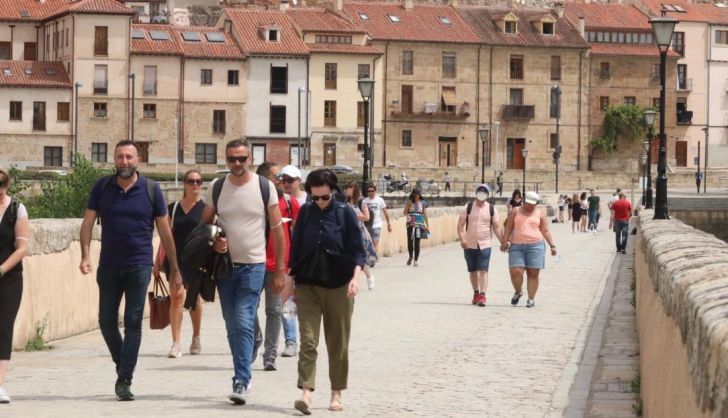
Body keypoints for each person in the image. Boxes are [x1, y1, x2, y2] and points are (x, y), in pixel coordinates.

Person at [79, 140, 180, 401]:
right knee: (106, 322)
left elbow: (165, 231)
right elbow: (88, 223)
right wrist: (85, 255)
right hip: (109, 266)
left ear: (138, 160)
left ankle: (124, 379)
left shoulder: (151, 190)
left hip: (139, 264)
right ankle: (123, 364)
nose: (125, 162)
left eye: (129, 157)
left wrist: (174, 268)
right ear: (114, 159)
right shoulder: (102, 187)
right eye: (120, 157)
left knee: (134, 322)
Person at [200, 139, 286, 405]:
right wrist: (215, 241)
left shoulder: (264, 187)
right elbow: (204, 226)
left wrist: (281, 269)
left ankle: (241, 379)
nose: (237, 164)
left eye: (241, 158)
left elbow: (277, 230)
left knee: (243, 317)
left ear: (249, 158)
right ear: (226, 160)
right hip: (225, 265)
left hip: (254, 265)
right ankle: (243, 367)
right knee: (231, 323)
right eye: (231, 159)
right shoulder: (216, 188)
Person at [284, 168, 366, 415]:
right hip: (308, 285)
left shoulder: (345, 214)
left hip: (339, 286)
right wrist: (290, 279)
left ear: (333, 192)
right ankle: (306, 393)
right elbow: (296, 248)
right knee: (308, 340)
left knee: (337, 342)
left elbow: (358, 251)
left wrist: (355, 278)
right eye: (314, 197)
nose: (319, 202)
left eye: (324, 197)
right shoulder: (306, 212)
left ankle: (336, 392)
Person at [252, 162, 300, 371]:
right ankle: (256, 338)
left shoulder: (291, 204)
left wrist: (293, 269)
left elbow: (299, 237)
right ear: (263, 181)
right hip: (252, 263)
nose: (281, 180)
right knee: (248, 309)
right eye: (276, 176)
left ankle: (270, 355)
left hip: (278, 267)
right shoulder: (252, 202)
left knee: (274, 311)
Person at [153, 169, 206, 359]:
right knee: (176, 296)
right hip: (175, 258)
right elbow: (166, 236)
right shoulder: (172, 208)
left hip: (197, 259)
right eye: (191, 181)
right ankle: (176, 343)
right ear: (184, 184)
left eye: (199, 181)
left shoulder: (206, 209)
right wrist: (158, 260)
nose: (195, 185)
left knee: (193, 299)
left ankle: (196, 336)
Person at [0, 169, 30, 404]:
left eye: (1, 186)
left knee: (3, 329)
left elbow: (21, 248)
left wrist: (1, 269)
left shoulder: (16, 209)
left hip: (9, 279)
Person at [501, 191, 557, 308]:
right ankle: (518, 291)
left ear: (536, 203)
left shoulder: (540, 213)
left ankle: (531, 299)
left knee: (533, 273)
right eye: (528, 203)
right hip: (517, 245)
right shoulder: (515, 211)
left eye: (533, 204)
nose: (530, 206)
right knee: (516, 271)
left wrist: (552, 245)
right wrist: (504, 241)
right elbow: (509, 227)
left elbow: (545, 230)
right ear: (524, 201)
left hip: (536, 246)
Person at [457, 184, 503, 307]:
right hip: (469, 244)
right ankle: (476, 293)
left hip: (485, 244)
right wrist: (462, 239)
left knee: (483, 270)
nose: (482, 193)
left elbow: (497, 228)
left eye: (484, 191)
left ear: (487, 194)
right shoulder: (468, 207)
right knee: (472, 271)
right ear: (476, 193)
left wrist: (503, 242)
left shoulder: (492, 209)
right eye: (480, 191)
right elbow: (460, 225)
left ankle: (483, 295)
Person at [278, 164, 306, 357]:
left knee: (306, 301)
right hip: (287, 258)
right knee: (286, 299)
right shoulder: (279, 201)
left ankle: (307, 337)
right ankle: (290, 341)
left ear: (299, 181)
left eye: (290, 180)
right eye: (284, 180)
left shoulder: (309, 201)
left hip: (306, 258)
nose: (286, 183)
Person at [344, 181, 378, 290]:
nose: (346, 190)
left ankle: (368, 277)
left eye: (348, 188)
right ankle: (362, 278)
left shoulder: (361, 201)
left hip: (359, 232)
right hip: (348, 232)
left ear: (354, 189)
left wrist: (354, 216)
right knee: (350, 257)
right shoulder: (346, 201)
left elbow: (367, 217)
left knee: (358, 257)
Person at [362, 184, 392, 254]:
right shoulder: (365, 201)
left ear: (375, 191)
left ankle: (373, 258)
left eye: (372, 191)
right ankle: (371, 256)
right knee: (369, 242)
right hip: (367, 225)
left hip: (377, 225)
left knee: (376, 242)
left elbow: (386, 213)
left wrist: (389, 224)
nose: (370, 193)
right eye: (369, 191)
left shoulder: (380, 200)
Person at [404, 189, 429, 267]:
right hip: (410, 223)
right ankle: (411, 256)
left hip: (419, 224)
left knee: (417, 241)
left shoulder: (423, 203)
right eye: (414, 195)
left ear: (419, 195)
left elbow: (425, 214)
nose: (416, 196)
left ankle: (416, 260)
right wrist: (409, 205)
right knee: (410, 240)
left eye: (417, 195)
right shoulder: (409, 202)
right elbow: (405, 212)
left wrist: (428, 225)